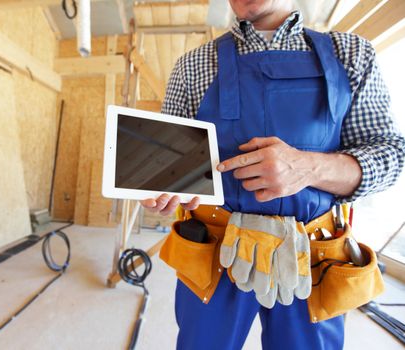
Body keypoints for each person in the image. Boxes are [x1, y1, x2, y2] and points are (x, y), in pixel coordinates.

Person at [140, 0, 405, 349]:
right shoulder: (192, 66)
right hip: (214, 248)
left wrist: (309, 167)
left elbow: (390, 156)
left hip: (313, 254)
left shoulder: (350, 54)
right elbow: (172, 167)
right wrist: (163, 192)